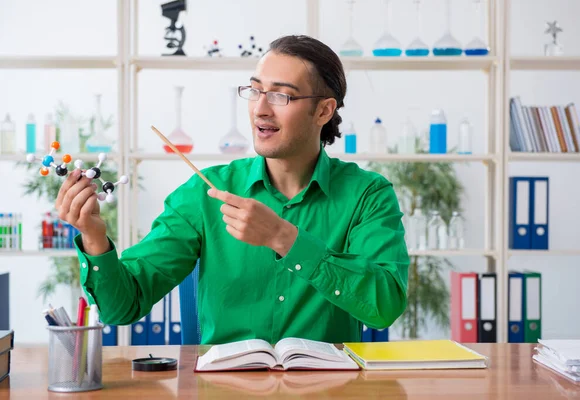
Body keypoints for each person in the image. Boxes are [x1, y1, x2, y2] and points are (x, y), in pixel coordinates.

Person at [55, 35, 409, 345]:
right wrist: (94, 238)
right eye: (255, 91)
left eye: (281, 96)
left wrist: (285, 239)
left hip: (330, 389)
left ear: (323, 111)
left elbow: (385, 307)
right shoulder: (205, 191)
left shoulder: (368, 195)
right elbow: (122, 307)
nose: (260, 109)